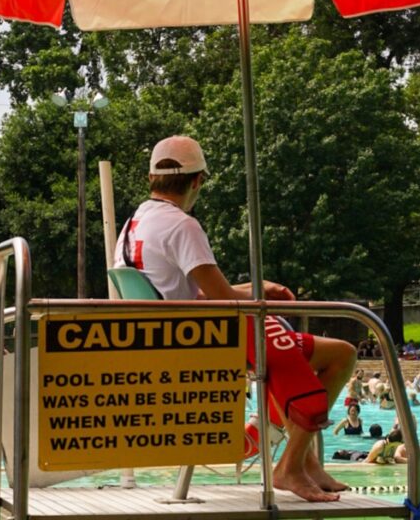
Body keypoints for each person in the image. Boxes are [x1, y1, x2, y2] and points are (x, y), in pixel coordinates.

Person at [114, 135, 356, 502]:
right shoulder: (183, 226)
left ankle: (303, 461)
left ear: (151, 179)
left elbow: (194, 290)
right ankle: (291, 466)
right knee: (339, 355)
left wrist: (258, 288)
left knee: (322, 348)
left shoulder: (133, 224)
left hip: (171, 334)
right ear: (197, 181)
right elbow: (223, 299)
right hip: (204, 340)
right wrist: (256, 298)